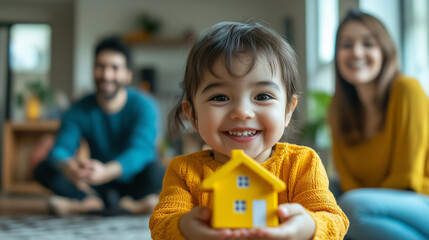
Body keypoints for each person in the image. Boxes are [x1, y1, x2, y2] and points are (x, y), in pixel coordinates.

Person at [149, 21, 349, 240]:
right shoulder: (184, 171)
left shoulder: (301, 164)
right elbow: (161, 224)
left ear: (288, 110)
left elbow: (333, 219)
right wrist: (185, 226)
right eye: (220, 97)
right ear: (192, 114)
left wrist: (308, 227)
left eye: (262, 96)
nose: (242, 112)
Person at [34, 36, 165, 216]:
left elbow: (141, 151)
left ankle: (87, 206)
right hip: (94, 181)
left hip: (131, 181)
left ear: (128, 74)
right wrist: (69, 167)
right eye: (100, 66)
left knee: (157, 172)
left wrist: (107, 171)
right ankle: (123, 206)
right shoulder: (78, 109)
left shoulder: (145, 106)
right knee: (44, 169)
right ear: (93, 69)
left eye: (115, 68)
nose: (106, 75)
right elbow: (60, 150)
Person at [328, 9, 429, 240]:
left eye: (368, 43)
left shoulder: (406, 90)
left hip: (421, 200)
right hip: (371, 207)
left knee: (352, 206)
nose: (356, 52)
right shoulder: (339, 108)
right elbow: (347, 180)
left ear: (384, 51)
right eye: (346, 45)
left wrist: (353, 203)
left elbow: (407, 178)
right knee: (323, 193)